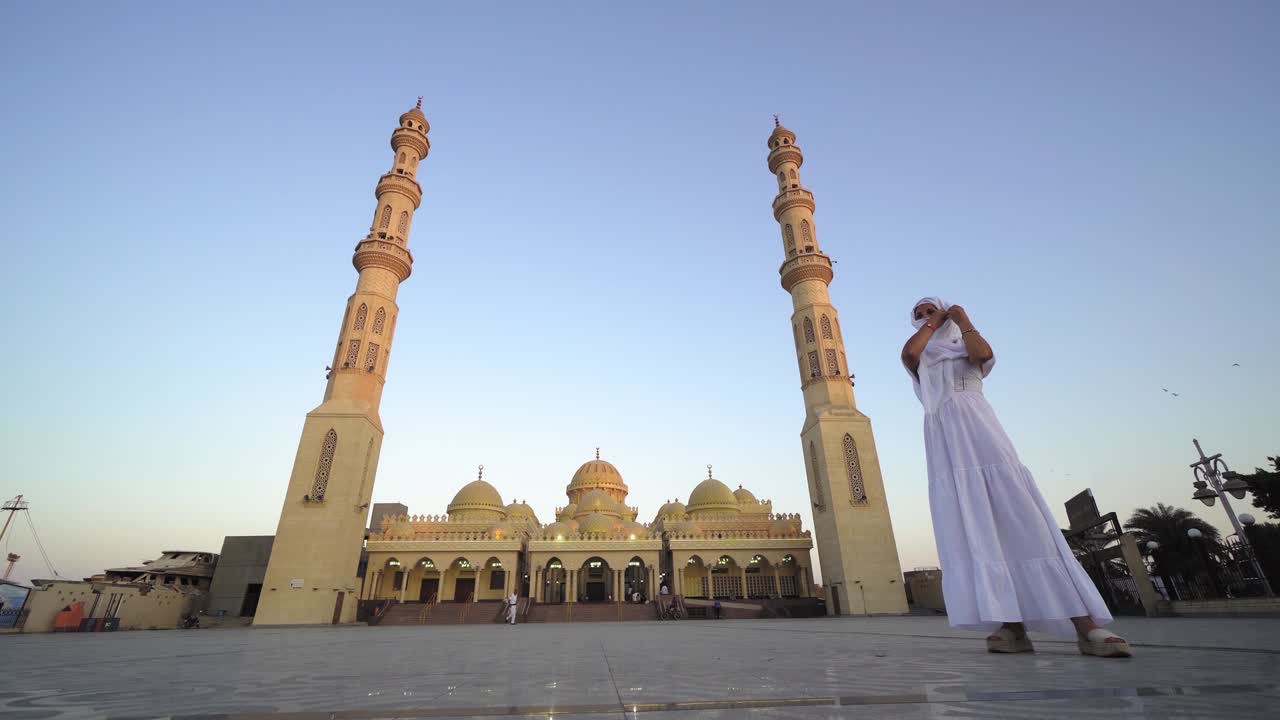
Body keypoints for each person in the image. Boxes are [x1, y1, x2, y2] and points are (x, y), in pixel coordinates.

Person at [901, 297, 1131, 658]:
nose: (925, 317)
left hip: (982, 433)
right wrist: (933, 323)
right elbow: (909, 354)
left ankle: (1086, 627)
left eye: (931, 310)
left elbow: (982, 352)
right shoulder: (923, 360)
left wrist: (961, 318)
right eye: (918, 315)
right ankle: (1010, 627)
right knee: (977, 531)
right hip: (947, 445)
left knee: (1026, 523)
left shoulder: (965, 349)